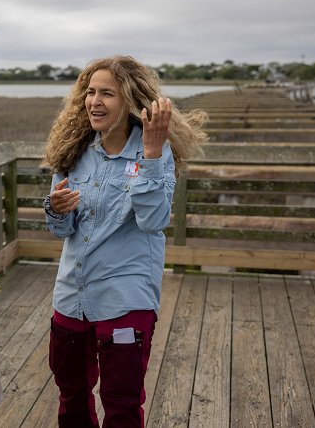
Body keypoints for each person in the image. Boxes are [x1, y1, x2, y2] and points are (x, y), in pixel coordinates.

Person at [42, 56, 208, 428]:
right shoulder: (73, 150)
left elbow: (154, 220)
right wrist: (56, 209)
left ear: (130, 100)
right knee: (71, 395)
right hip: (72, 296)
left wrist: (150, 154)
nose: (94, 101)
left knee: (121, 405)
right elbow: (61, 230)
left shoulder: (155, 152)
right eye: (90, 92)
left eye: (107, 94)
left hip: (125, 299)